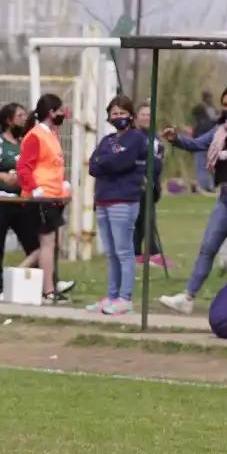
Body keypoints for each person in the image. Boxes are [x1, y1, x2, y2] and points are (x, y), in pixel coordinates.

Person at [159, 85, 227, 314]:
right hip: (226, 195)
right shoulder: (220, 130)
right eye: (226, 105)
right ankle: (188, 297)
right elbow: (196, 144)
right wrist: (176, 139)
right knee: (208, 246)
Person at [86, 95, 146, 315]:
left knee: (124, 251)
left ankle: (125, 297)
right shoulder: (107, 140)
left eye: (122, 113)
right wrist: (106, 161)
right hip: (103, 199)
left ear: (130, 115)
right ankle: (111, 295)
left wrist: (106, 162)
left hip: (124, 200)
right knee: (111, 252)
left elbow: (122, 162)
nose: (118, 117)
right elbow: (93, 165)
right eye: (114, 113)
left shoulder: (136, 138)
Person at [0, 103, 39, 299]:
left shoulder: (24, 144)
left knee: (35, 244)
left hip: (19, 202)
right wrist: (4, 177)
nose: (23, 119)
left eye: (24, 116)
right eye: (20, 116)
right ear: (8, 121)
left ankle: (44, 282)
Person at [16, 93, 73, 302]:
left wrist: (63, 182)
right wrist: (34, 188)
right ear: (51, 113)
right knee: (48, 243)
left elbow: (52, 164)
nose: (63, 115)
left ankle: (20, 272)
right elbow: (23, 167)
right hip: (42, 197)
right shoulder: (35, 136)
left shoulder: (51, 134)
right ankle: (48, 290)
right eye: (60, 111)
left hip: (54, 195)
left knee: (55, 243)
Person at [132, 101, 168, 266]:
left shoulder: (155, 138)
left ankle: (139, 252)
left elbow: (159, 159)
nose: (146, 118)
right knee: (144, 218)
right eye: (143, 115)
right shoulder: (134, 137)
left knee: (145, 217)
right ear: (136, 118)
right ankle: (151, 251)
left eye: (149, 115)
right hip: (139, 184)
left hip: (153, 184)